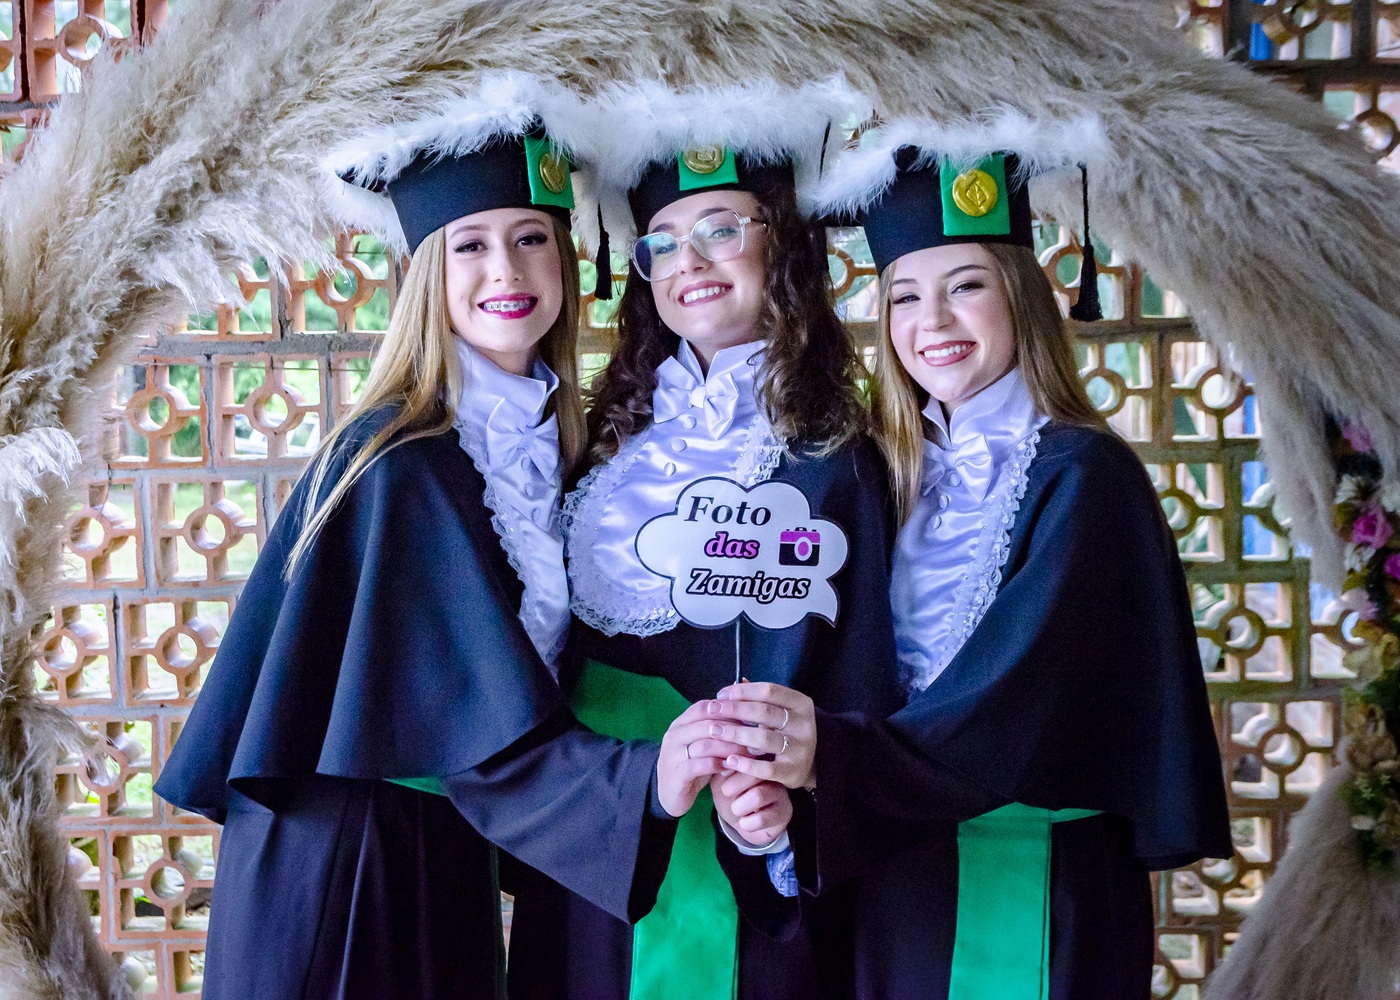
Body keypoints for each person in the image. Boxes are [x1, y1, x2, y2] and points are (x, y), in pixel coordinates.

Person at [153, 83, 739, 1000]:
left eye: (531, 238)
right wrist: (645, 781)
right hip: (353, 867)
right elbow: (467, 719)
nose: (506, 270)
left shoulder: (556, 447)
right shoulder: (403, 464)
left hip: (448, 848)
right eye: (470, 245)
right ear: (429, 273)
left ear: (566, 259)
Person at [706, 132, 1233, 998]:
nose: (934, 323)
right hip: (898, 875)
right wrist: (774, 802)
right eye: (905, 296)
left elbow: (1014, 700)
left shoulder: (1082, 477)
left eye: (966, 287)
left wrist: (825, 758)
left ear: (1022, 296)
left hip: (1036, 872)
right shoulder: (884, 479)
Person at [502, 82, 905, 1000]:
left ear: (782, 244)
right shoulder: (600, 443)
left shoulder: (840, 457)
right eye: (663, 243)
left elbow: (865, 686)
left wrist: (787, 814)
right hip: (604, 841)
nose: (690, 261)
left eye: (722, 229)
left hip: (750, 840)